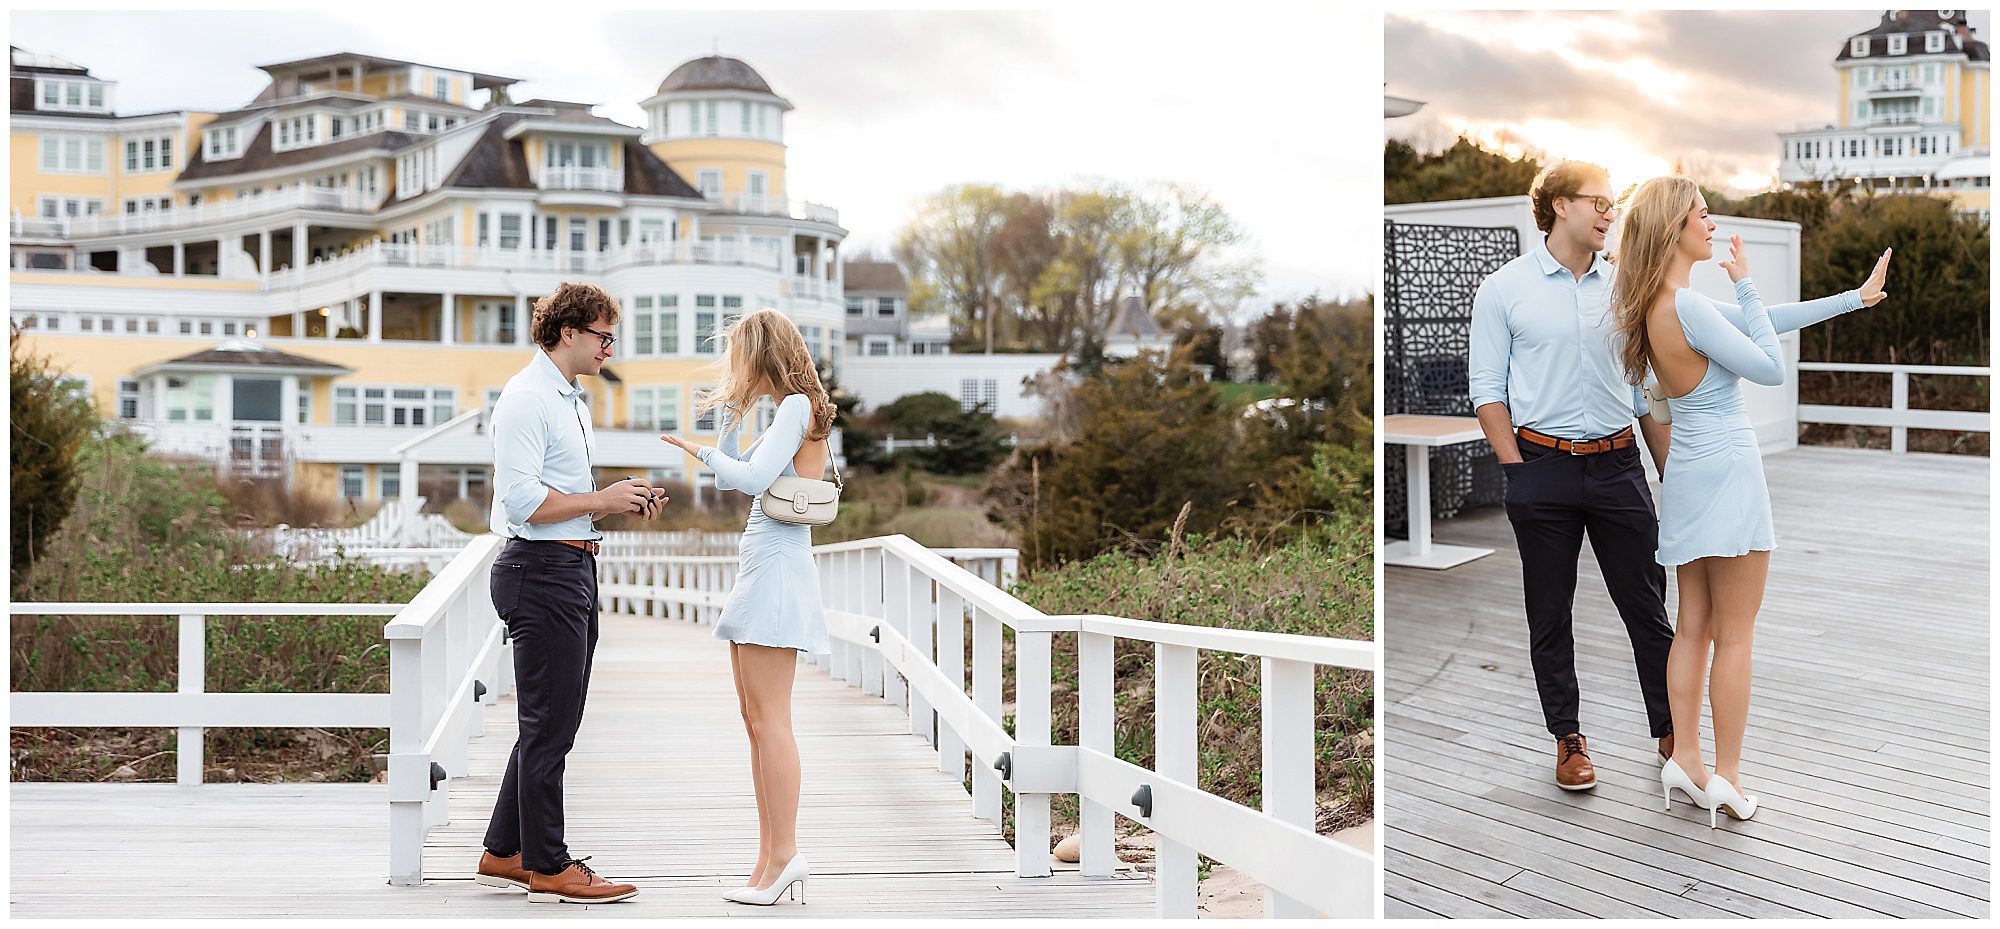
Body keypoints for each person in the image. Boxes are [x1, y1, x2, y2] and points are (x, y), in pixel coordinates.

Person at [1607, 176, 1890, 825]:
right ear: (1675, 227)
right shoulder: (1693, 305)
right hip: (1730, 474)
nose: (1713, 225)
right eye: (1703, 215)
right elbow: (1769, 363)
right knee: (1735, 633)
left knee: (1694, 625)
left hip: (1686, 478)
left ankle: (1684, 760)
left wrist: (1854, 298)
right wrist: (1745, 282)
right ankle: (1727, 778)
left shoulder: (1657, 308)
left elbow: (1768, 324)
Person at [1467, 162, 1677, 791]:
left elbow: (1643, 394)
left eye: (1613, 204)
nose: (1610, 214)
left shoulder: (1626, 289)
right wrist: (1517, 473)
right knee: (1550, 614)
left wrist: (1672, 478)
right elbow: (1487, 391)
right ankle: (1568, 740)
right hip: (1542, 469)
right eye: (1599, 202)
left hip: (1619, 467)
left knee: (1648, 608)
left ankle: (1672, 732)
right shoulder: (1504, 290)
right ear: (1559, 205)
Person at [473, 282, 660, 904]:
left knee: (548, 722)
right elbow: (522, 501)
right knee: (550, 725)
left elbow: (562, 496)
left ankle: (506, 851)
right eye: (603, 335)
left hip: (569, 567)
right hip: (540, 571)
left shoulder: (571, 398)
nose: (611, 346)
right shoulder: (528, 398)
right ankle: (550, 865)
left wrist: (617, 498)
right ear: (568, 332)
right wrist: (603, 501)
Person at [661, 307, 836, 906]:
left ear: (762, 354)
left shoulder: (794, 408)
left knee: (771, 721)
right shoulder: (788, 410)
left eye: (741, 355)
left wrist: (701, 451)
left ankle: (785, 854)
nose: (735, 368)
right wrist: (728, 431)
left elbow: (749, 477)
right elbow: (737, 477)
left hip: (777, 570)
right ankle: (768, 860)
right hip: (763, 565)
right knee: (756, 723)